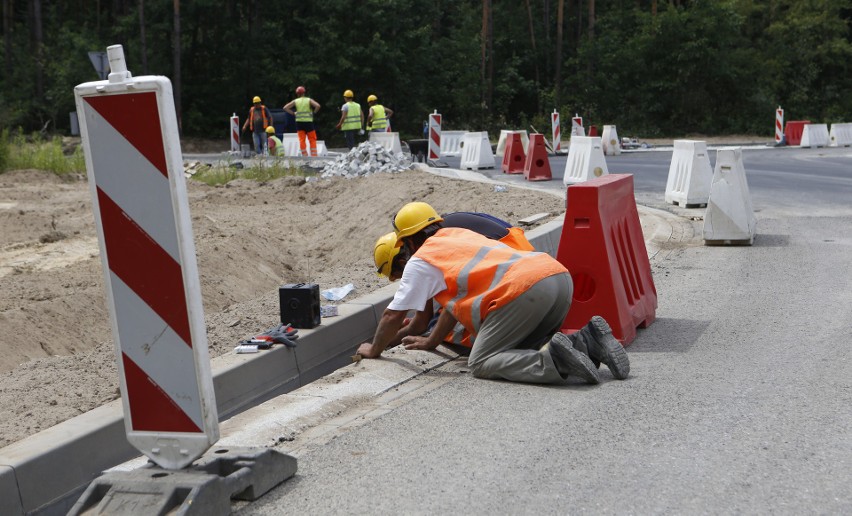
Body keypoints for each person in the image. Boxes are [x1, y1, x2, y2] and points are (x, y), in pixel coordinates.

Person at [358, 202, 630, 385]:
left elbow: (393, 315)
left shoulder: (422, 259)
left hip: (525, 290)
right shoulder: (457, 235)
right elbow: (452, 306)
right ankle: (588, 340)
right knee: (517, 348)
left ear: (404, 241)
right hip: (556, 277)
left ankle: (556, 362)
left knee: (482, 361)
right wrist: (431, 342)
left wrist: (374, 349)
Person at [283, 86, 321, 156]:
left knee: (302, 140)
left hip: (299, 123)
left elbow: (285, 108)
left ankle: (304, 155)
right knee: (312, 139)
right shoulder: (308, 100)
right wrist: (313, 113)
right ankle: (314, 155)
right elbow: (318, 106)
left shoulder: (296, 101)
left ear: (297, 94)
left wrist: (293, 113)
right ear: (304, 93)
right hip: (308, 122)